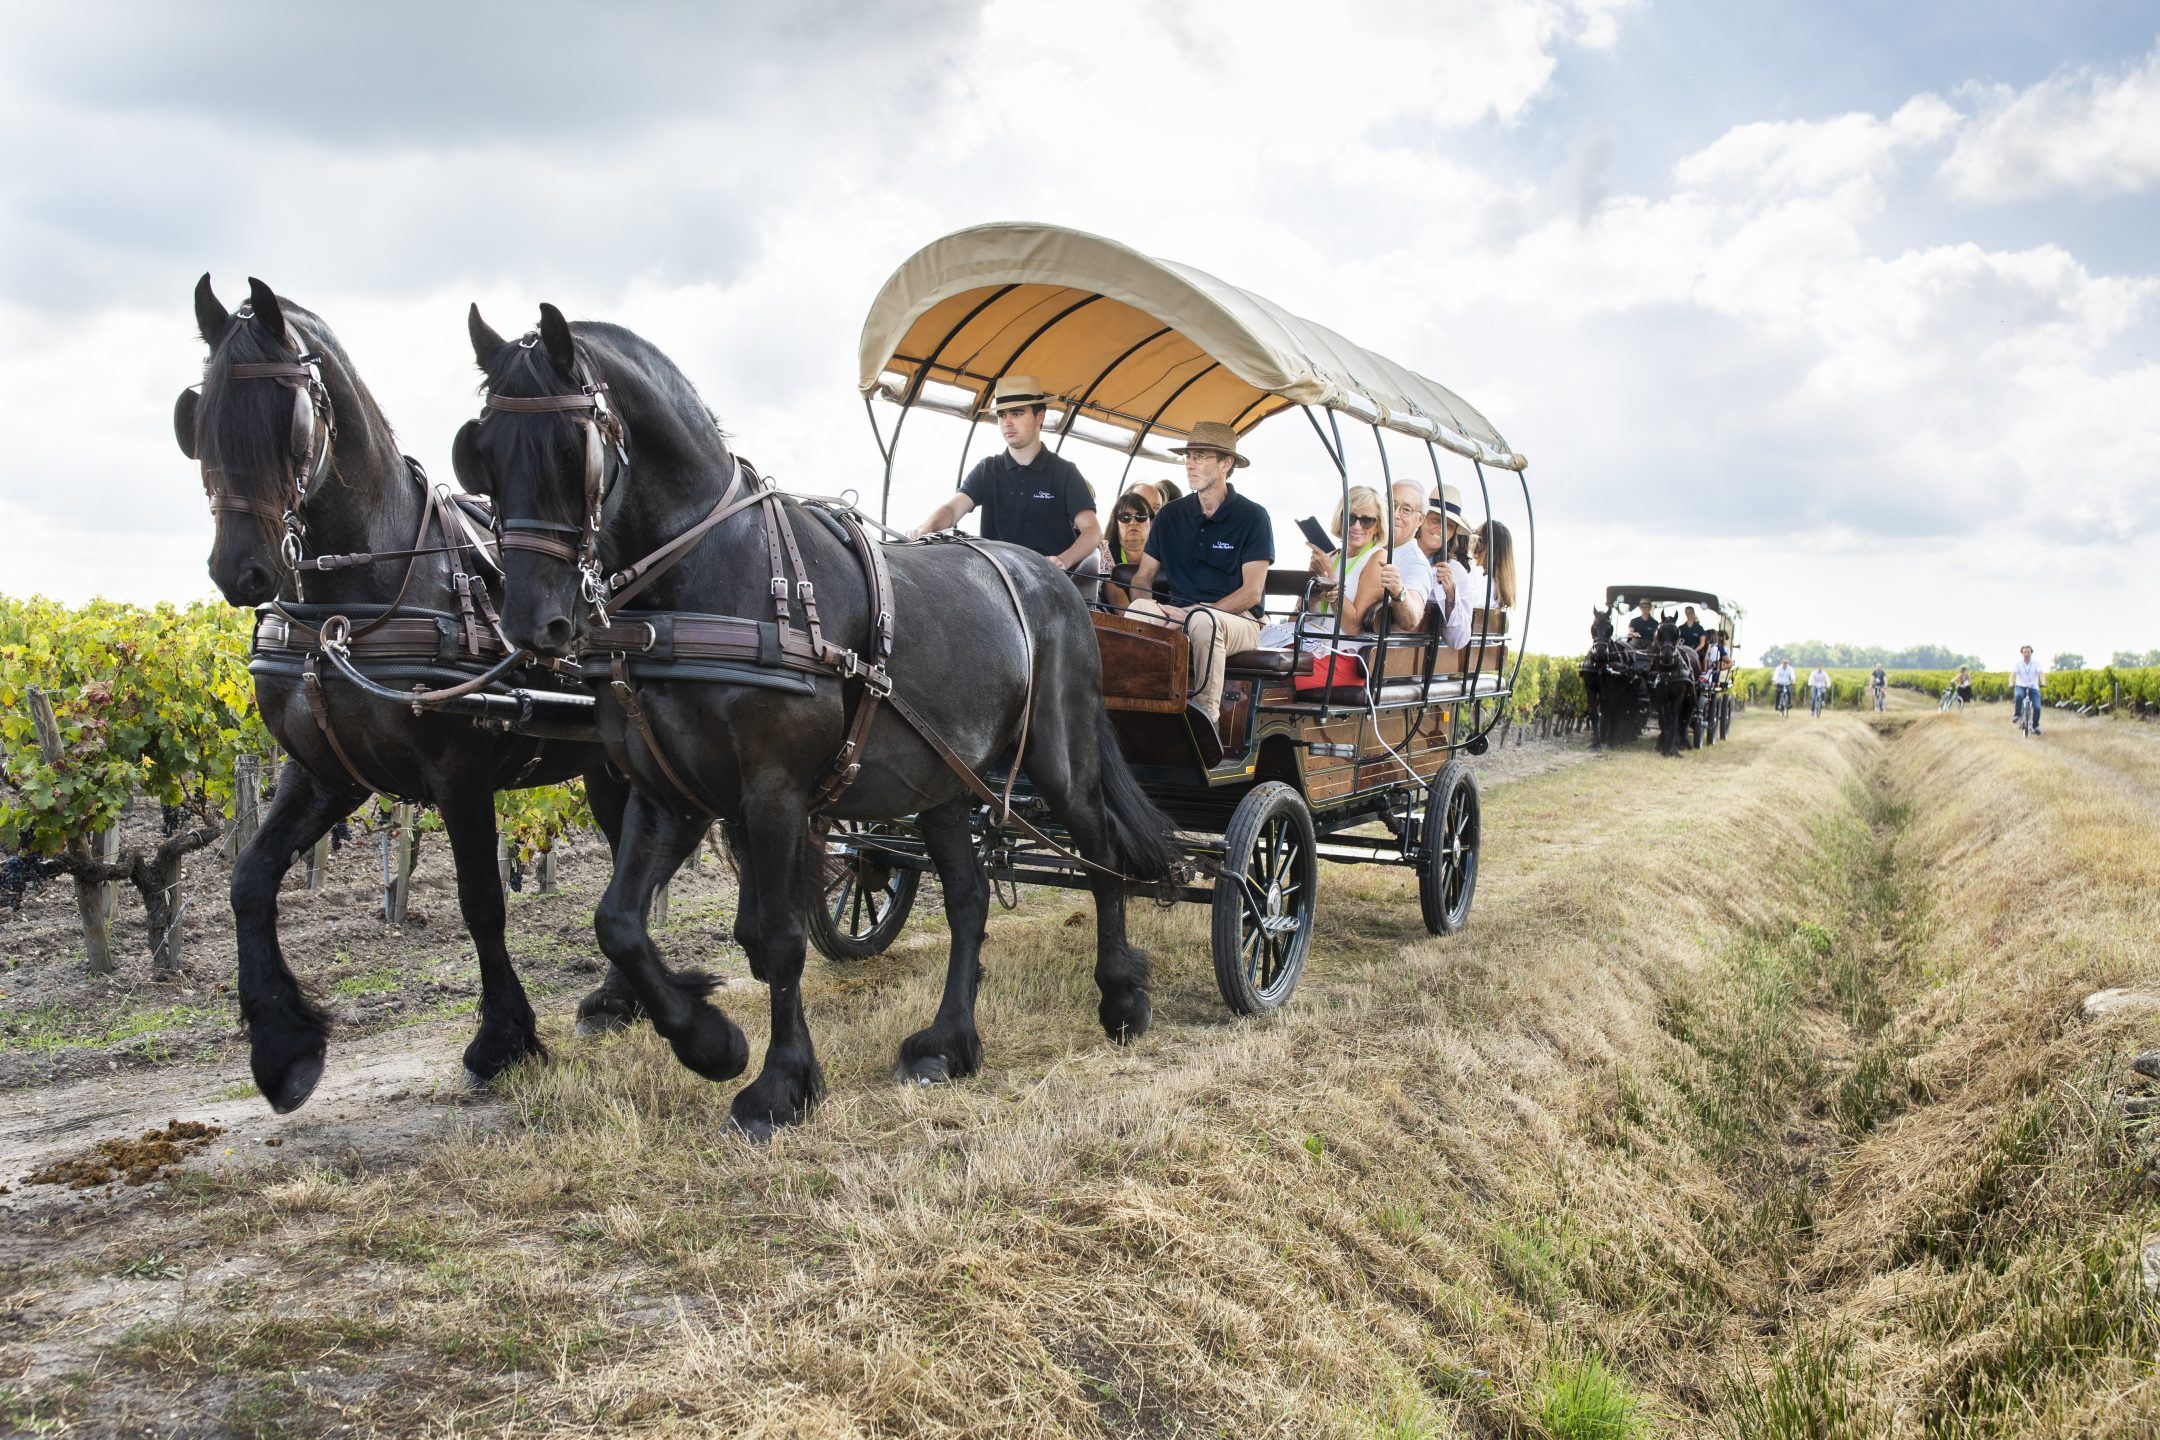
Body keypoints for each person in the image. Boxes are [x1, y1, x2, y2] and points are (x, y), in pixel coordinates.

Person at [1124, 421, 1275, 725]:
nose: (1190, 464)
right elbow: (1142, 579)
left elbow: (1251, 593)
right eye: (1188, 456)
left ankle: (1205, 721)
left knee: (1205, 623)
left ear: (1226, 463)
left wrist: (1193, 613)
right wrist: (1159, 612)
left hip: (1240, 620)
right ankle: (1136, 713)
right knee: (1138, 610)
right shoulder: (1170, 515)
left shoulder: (1252, 516)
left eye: (1201, 456)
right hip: (1182, 616)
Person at [908, 374, 1103, 579]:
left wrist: (1062, 560)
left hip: (1050, 581)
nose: (1007, 423)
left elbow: (1092, 530)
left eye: (1017, 414)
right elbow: (952, 509)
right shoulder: (987, 470)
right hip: (998, 581)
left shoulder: (1065, 473)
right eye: (1002, 415)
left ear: (1040, 417)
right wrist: (926, 528)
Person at [1101, 490, 1156, 608]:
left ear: (1151, 522)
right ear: (1116, 523)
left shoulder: (1164, 553)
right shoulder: (1104, 551)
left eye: (1140, 516)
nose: (1133, 522)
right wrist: (1135, 622)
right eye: (1125, 517)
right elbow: (1116, 595)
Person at [1470, 520, 1517, 611]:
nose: (1471, 536)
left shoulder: (1477, 582)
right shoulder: (1498, 588)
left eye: (1475, 533)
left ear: (1482, 545)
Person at [2011, 645, 2042, 733]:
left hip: (2033, 687)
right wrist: (2011, 682)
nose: (2026, 654)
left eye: (2028, 652)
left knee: (2037, 707)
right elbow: (2012, 675)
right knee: (2019, 695)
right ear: (2022, 653)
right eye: (2025, 652)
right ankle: (2017, 715)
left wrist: (2043, 681)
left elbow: (2041, 674)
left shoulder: (2036, 663)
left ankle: (2035, 726)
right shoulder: (2018, 664)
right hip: (2020, 686)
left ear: (2031, 653)